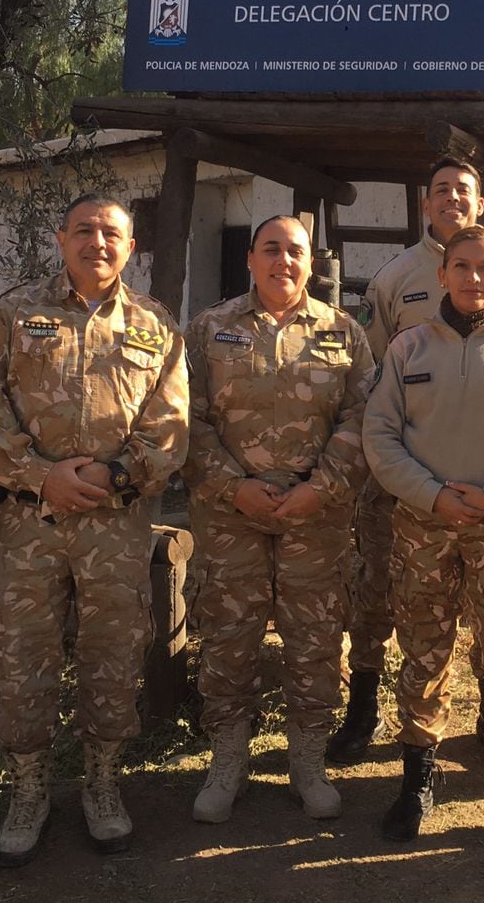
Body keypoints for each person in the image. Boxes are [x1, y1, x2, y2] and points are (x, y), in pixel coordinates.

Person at [0, 194, 188, 866]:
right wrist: (42, 475)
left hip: (116, 526)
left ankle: (101, 783)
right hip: (30, 520)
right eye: (84, 230)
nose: (98, 241)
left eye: (111, 233)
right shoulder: (14, 312)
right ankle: (28, 788)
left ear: (131, 246)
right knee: (22, 653)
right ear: (60, 237)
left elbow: (172, 424)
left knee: (114, 653)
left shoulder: (154, 323)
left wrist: (119, 476)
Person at [331, 157, 484, 766]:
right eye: (440, 190)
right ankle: (363, 709)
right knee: (381, 593)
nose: (451, 198)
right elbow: (372, 377)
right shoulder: (395, 278)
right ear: (426, 206)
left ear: (480, 204)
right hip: (404, 480)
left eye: (463, 191)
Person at [362, 225, 484, 853]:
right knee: (424, 651)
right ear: (442, 275)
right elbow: (380, 437)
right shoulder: (407, 348)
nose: (474, 278)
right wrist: (432, 494)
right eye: (462, 267)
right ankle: (417, 779)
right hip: (423, 526)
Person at [182, 215, 375, 823]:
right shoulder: (210, 329)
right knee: (227, 636)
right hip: (230, 514)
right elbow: (183, 419)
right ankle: (228, 762)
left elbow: (362, 419)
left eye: (294, 252)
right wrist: (230, 486)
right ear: (250, 258)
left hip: (314, 515)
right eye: (271, 250)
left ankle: (308, 761)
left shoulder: (343, 332)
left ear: (309, 263)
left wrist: (322, 489)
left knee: (315, 639)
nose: (283, 262)